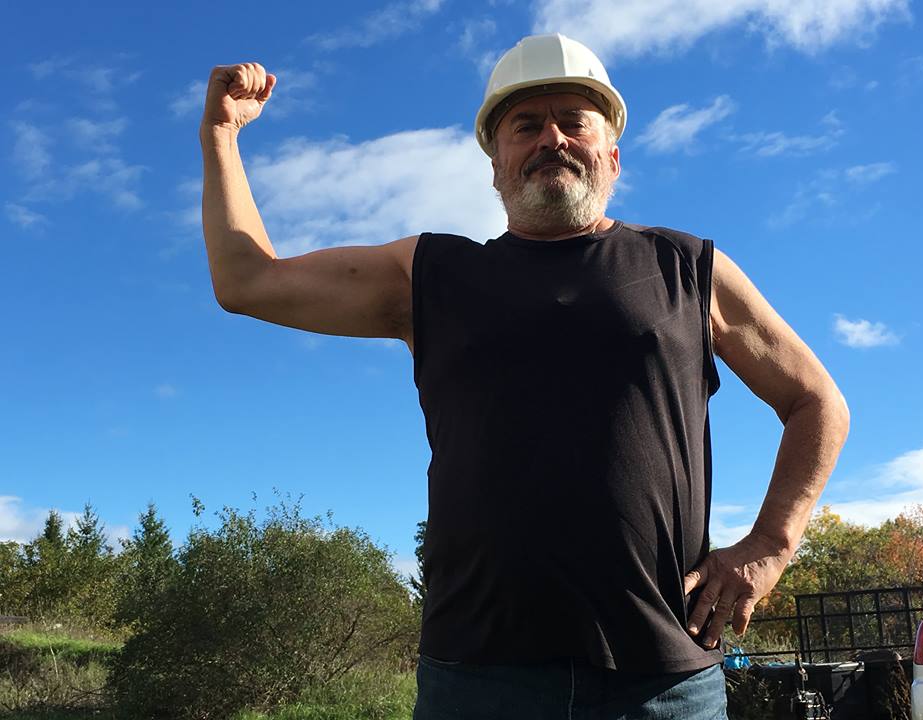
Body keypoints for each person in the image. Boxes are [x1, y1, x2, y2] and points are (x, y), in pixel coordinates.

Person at [199, 34, 849, 720]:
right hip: (477, 680)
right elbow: (248, 282)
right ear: (495, 165)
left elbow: (816, 400)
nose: (551, 138)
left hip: (663, 683)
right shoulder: (431, 275)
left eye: (573, 121)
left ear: (612, 156)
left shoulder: (686, 269)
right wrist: (221, 135)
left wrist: (770, 546)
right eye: (526, 125)